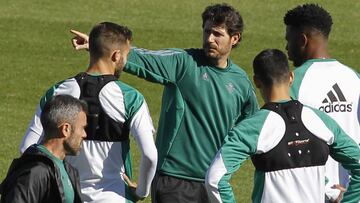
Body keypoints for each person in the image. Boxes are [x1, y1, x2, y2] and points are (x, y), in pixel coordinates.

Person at [71, 3, 259, 202]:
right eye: (206, 32)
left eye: (217, 34)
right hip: (173, 181)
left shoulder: (241, 83)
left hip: (213, 183)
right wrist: (101, 47)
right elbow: (145, 60)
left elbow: (253, 129)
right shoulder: (184, 63)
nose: (209, 39)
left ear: (235, 38)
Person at [20, 22, 158, 202]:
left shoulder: (57, 92)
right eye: (126, 55)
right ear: (116, 56)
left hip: (67, 196)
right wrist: (141, 191)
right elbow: (150, 155)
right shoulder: (130, 98)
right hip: (115, 197)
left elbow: (27, 148)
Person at [205, 49, 360, 203]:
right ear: (291, 77)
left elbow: (215, 179)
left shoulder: (253, 127)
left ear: (257, 81)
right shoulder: (321, 121)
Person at [284, 4, 360, 202]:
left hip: (315, 193)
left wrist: (331, 191)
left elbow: (292, 146)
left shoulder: (292, 83)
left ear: (302, 40)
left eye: (288, 40)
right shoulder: (355, 78)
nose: (286, 48)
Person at [1, 95, 86, 203]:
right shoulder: (34, 172)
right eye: (82, 128)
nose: (84, 134)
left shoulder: (68, 170)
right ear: (66, 129)